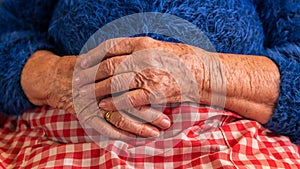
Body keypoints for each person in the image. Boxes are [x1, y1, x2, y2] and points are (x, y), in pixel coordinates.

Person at [0, 0, 299, 144]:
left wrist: (200, 73)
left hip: (229, 143)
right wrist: (50, 75)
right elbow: (7, 28)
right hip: (61, 137)